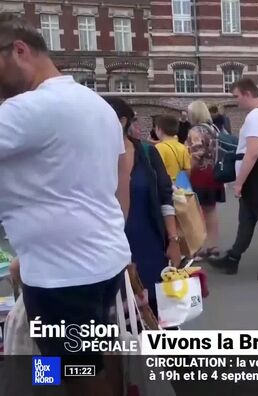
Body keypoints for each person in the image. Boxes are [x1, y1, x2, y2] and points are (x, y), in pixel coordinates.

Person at [0, 13, 129, 395]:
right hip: (99, 261)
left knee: (78, 373)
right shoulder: (97, 106)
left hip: (62, 275)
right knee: (93, 354)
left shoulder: (29, 110)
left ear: (19, 51)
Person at [105, 97, 181, 317]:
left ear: (122, 121)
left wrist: (173, 240)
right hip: (109, 247)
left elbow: (166, 197)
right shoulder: (93, 156)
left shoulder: (148, 153)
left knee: (156, 312)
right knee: (118, 314)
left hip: (149, 244)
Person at [212, 78, 258, 280]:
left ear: (247, 93)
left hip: (257, 174)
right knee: (246, 219)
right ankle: (233, 258)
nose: (236, 101)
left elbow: (252, 151)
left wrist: (239, 182)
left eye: (236, 96)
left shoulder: (256, 116)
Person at [186, 100, 225, 260]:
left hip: (199, 174)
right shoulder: (214, 128)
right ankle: (213, 246)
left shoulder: (195, 131)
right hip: (214, 173)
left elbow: (196, 153)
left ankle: (199, 248)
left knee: (195, 212)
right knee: (211, 210)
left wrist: (187, 172)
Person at [155, 114, 191, 182]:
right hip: (180, 188)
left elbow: (157, 170)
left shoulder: (159, 147)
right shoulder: (183, 147)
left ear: (159, 129)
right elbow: (188, 170)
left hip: (167, 187)